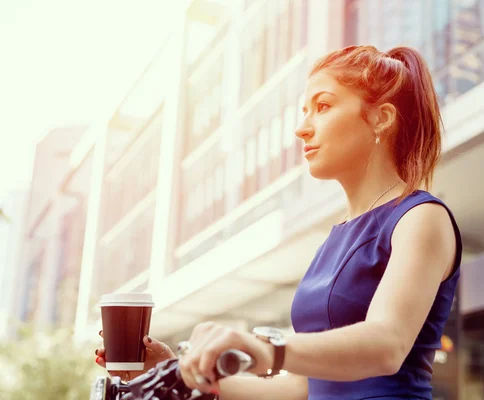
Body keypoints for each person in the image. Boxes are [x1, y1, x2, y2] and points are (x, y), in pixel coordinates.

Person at [95, 44, 462, 400]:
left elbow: (387, 345)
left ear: (381, 117)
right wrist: (175, 373)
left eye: (323, 106)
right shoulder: (336, 237)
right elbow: (300, 389)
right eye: (305, 111)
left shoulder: (420, 218)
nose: (303, 129)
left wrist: (265, 347)